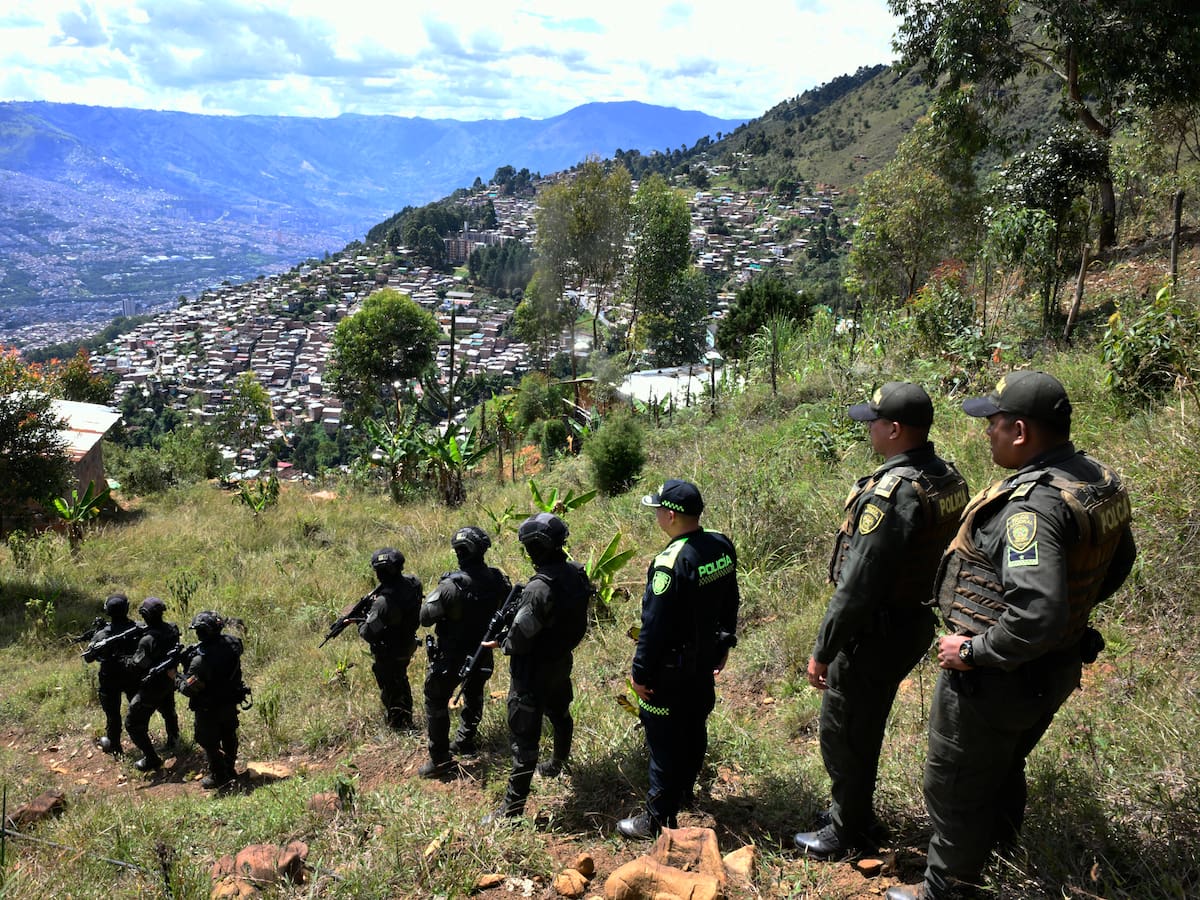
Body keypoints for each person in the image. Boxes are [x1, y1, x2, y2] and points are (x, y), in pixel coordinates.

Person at [886, 371, 1136, 900]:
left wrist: (974, 650)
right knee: (1002, 763)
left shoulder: (1029, 511)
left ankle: (947, 889)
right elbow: (1118, 562)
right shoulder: (1094, 480)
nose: (988, 433)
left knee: (954, 784)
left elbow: (1036, 612)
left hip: (996, 676)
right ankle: (995, 857)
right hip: (1054, 664)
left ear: (1019, 430)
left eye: (994, 424)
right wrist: (1074, 612)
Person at [795, 383, 970, 860]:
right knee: (863, 720)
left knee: (846, 727)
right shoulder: (945, 477)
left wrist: (823, 649)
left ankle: (849, 829)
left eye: (873, 421)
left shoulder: (892, 495)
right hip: (914, 620)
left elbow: (858, 586)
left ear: (894, 429)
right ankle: (849, 809)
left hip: (875, 629)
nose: (867, 428)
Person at [617, 479, 740, 840]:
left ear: (670, 515)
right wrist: (724, 646)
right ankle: (683, 791)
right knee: (694, 724)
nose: (656, 514)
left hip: (670, 669)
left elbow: (653, 627)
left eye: (657, 509)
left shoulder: (670, 563)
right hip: (704, 662)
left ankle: (656, 820)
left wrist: (639, 674)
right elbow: (730, 600)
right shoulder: (720, 544)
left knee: (663, 740)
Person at [486, 512, 592, 822]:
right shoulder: (576, 573)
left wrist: (501, 643)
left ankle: (512, 809)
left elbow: (519, 637)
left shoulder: (538, 589)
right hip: (560, 661)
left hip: (532, 670)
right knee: (560, 714)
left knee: (524, 738)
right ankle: (559, 762)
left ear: (535, 547)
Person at [418, 526, 511, 778]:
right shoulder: (498, 579)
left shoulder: (451, 586)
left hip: (451, 655)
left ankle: (440, 760)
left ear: (460, 552)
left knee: (435, 699)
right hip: (482, 651)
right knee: (474, 693)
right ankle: (465, 740)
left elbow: (425, 618)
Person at [176, 610, 247, 790]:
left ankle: (219, 775)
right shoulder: (234, 644)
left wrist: (175, 677)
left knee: (209, 741)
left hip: (209, 707)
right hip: (230, 700)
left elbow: (188, 689)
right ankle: (230, 768)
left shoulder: (200, 661)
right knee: (229, 734)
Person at [358, 548, 423, 730]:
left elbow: (368, 632)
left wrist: (361, 619)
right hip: (408, 642)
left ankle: (400, 723)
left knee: (391, 686)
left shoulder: (383, 603)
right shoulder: (413, 584)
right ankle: (405, 717)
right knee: (401, 679)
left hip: (390, 649)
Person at [124, 596, 181, 772]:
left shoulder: (146, 640)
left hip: (151, 686)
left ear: (145, 615)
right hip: (169, 681)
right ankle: (174, 740)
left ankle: (151, 758)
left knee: (132, 723)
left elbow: (136, 665)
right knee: (168, 710)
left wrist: (125, 659)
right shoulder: (172, 629)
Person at [82, 593, 142, 754]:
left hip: (110, 679)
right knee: (137, 710)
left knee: (113, 715)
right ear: (127, 609)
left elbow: (88, 658)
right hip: (133, 676)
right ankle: (142, 739)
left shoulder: (103, 635)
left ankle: (114, 745)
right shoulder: (138, 627)